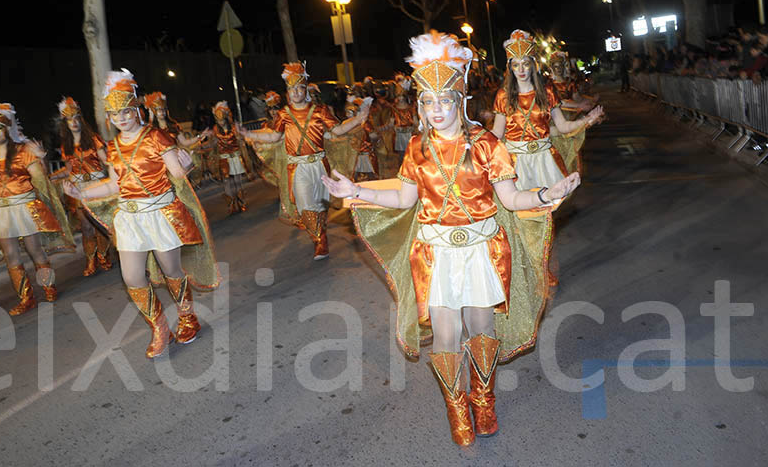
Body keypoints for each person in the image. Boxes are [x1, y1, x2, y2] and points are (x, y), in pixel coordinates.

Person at [323, 31, 580, 446]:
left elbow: (511, 200)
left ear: (460, 100)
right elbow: (405, 198)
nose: (436, 109)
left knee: (480, 329)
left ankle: (483, 397)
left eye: (445, 100)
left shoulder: (486, 144)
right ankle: (456, 406)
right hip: (436, 254)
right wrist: (356, 192)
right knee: (446, 337)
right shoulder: (417, 148)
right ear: (421, 105)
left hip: (480, 250)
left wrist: (549, 193)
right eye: (428, 100)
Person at [64, 70, 220, 359]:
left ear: (136, 110)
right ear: (109, 118)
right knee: (132, 276)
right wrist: (82, 192)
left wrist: (187, 164)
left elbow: (177, 172)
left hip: (161, 213)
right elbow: (114, 184)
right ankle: (161, 328)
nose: (121, 118)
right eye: (115, 114)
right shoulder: (112, 148)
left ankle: (188, 318)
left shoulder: (156, 136)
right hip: (130, 217)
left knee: (171, 270)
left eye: (126, 111)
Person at [240, 62, 370, 260]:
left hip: (319, 165)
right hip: (297, 167)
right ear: (287, 92)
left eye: (299, 88)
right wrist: (250, 134)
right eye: (291, 89)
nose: (295, 92)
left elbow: (336, 131)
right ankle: (320, 241)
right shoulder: (283, 114)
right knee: (304, 205)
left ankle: (321, 235)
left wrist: (359, 119)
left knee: (319, 204)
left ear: (305, 90)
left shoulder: (321, 111)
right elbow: (274, 137)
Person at [0, 102, 74, 315]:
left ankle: (49, 288)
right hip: (1, 212)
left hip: (23, 209)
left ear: (6, 130)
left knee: (34, 250)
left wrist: (41, 158)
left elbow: (39, 178)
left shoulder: (23, 151)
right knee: (11, 256)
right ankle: (26, 298)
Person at [492, 30, 603, 193]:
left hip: (544, 160)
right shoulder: (503, 96)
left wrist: (587, 119)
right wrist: (473, 137)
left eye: (526, 63)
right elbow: (497, 133)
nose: (521, 69)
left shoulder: (547, 92)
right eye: (516, 64)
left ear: (533, 65)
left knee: (548, 208)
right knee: (523, 211)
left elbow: (563, 126)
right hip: (516, 162)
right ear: (510, 68)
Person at [50, 97, 114, 276]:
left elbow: (106, 160)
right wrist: (51, 176)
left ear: (81, 119)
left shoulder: (93, 139)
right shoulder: (66, 146)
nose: (74, 122)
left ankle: (103, 255)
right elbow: (68, 170)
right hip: (78, 188)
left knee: (100, 223)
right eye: (70, 120)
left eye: (77, 118)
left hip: (97, 185)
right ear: (65, 123)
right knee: (86, 227)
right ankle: (91, 260)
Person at [201, 100, 253, 214]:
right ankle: (231, 205)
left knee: (238, 181)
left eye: (222, 119)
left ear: (225, 118)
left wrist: (243, 138)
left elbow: (242, 139)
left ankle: (241, 202)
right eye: (218, 120)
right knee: (226, 182)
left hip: (236, 156)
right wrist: (200, 144)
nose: (220, 122)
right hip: (224, 158)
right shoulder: (215, 129)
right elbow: (212, 143)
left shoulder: (234, 127)